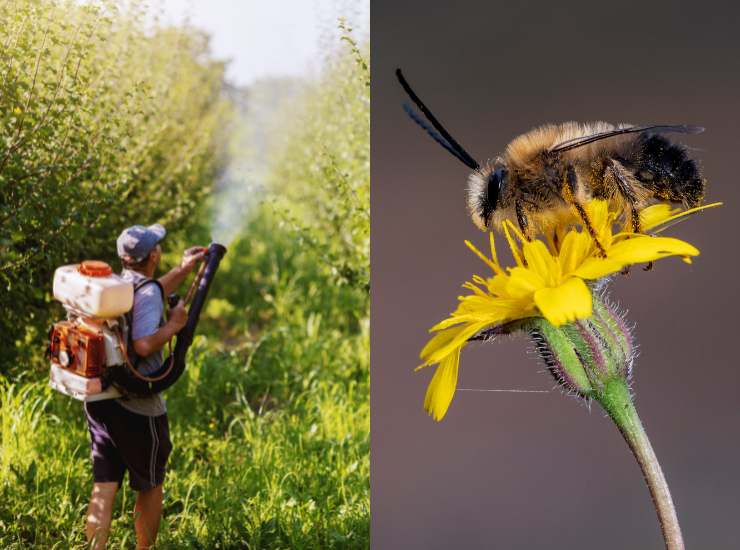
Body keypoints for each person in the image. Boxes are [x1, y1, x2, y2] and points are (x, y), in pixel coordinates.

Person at [84, 223, 205, 549]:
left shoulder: (119, 283)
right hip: (136, 407)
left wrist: (183, 269)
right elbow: (143, 345)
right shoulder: (147, 293)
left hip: (102, 398)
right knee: (150, 485)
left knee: (104, 485)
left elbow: (150, 292)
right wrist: (176, 324)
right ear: (153, 254)